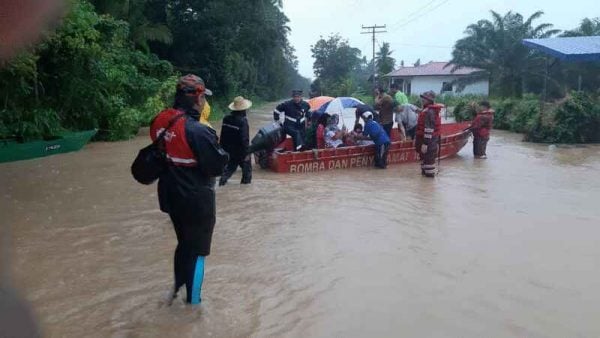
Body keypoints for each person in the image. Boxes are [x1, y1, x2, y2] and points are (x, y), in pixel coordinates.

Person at [150, 74, 229, 305]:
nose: (205, 101)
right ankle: (193, 306)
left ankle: (176, 289)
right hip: (196, 198)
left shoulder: (159, 121)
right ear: (197, 97)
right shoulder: (198, 131)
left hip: (170, 195)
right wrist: (224, 154)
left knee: (184, 243)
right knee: (199, 251)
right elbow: (215, 166)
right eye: (203, 96)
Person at [219, 96, 252, 186]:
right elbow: (244, 139)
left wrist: (221, 149)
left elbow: (222, 136)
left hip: (228, 151)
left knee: (229, 169)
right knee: (247, 173)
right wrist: (247, 153)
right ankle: (245, 190)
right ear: (243, 110)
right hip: (240, 152)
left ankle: (221, 184)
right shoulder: (243, 121)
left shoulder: (226, 118)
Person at [415, 91, 443, 178]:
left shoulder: (429, 112)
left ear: (429, 100)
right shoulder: (427, 110)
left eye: (425, 98)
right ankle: (424, 188)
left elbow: (429, 129)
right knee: (425, 163)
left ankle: (429, 188)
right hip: (426, 139)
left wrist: (425, 144)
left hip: (429, 141)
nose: (422, 100)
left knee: (429, 167)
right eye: (422, 98)